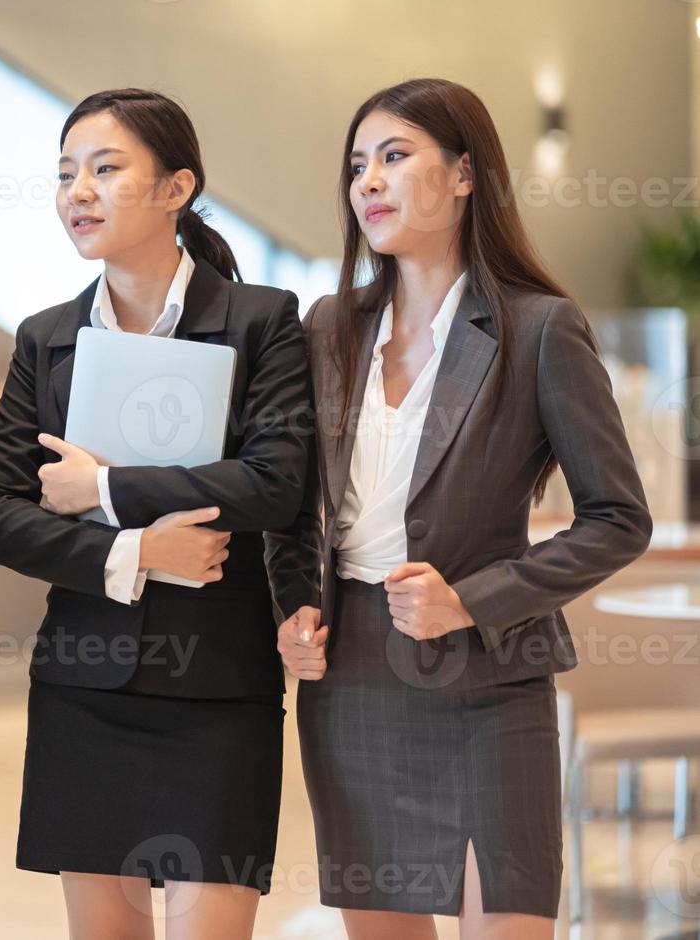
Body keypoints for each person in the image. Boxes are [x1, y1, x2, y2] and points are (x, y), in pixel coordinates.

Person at [268, 77, 653, 939]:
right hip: (352, 676)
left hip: (489, 678)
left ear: (467, 174)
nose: (368, 181)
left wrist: (470, 600)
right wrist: (293, 604)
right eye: (358, 164)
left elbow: (619, 517)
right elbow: (299, 511)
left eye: (395, 157)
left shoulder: (540, 329)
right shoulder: (331, 328)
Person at [0, 88, 313, 940]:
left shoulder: (260, 320)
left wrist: (106, 493)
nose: (77, 190)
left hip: (219, 691)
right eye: (65, 173)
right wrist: (136, 552)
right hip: (85, 684)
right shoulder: (47, 338)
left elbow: (275, 483)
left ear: (176, 187)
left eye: (105, 168)